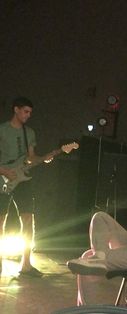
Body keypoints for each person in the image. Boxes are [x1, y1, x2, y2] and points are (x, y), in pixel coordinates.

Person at [0, 97, 53, 277]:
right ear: (16, 109)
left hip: (23, 179)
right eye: (25, 111)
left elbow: (30, 157)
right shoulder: (2, 130)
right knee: (1, 221)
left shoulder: (29, 132)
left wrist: (44, 158)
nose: (28, 115)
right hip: (3, 178)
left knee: (29, 219)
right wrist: (4, 171)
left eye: (30, 112)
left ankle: (26, 265)